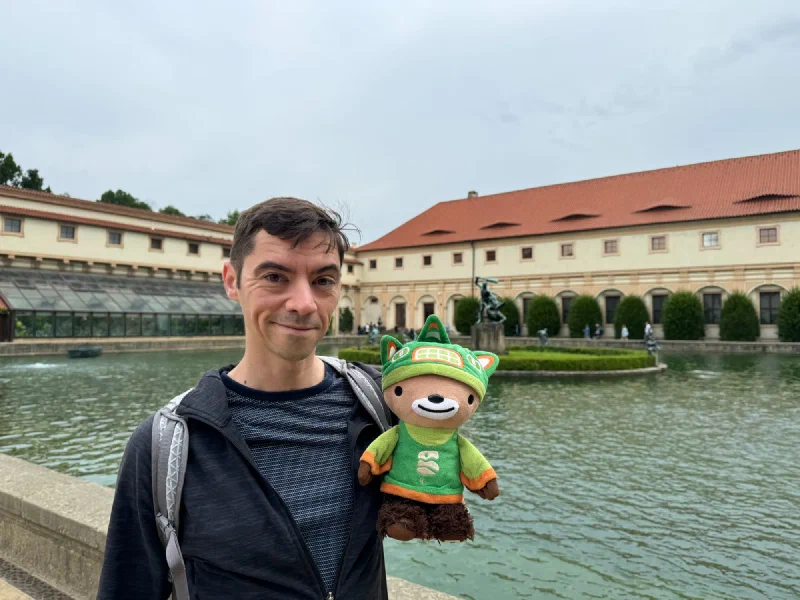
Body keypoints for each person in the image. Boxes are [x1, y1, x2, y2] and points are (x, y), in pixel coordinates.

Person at [97, 198, 392, 599]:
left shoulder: (380, 405)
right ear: (231, 281)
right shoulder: (164, 444)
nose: (304, 303)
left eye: (323, 280)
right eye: (274, 277)